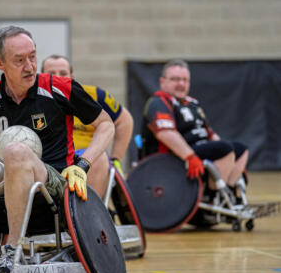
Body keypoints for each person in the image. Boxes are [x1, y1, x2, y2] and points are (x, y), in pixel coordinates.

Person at [0, 26, 114, 273]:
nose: (30, 66)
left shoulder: (60, 88)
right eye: (19, 60)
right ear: (0, 63)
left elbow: (106, 124)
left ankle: (10, 252)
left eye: (33, 56)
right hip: (5, 187)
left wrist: (83, 165)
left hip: (55, 186)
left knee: (15, 151)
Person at [141, 59, 248, 193]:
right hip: (174, 157)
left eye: (185, 80)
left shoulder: (193, 104)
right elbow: (165, 133)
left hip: (200, 149)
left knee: (241, 149)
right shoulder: (158, 102)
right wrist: (190, 156)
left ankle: (231, 194)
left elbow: (210, 134)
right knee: (224, 149)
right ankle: (213, 196)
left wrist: (233, 159)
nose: (181, 84)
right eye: (175, 79)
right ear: (162, 82)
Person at [41, 55, 133, 198]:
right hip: (49, 159)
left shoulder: (94, 94)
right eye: (51, 73)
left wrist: (116, 158)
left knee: (100, 157)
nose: (58, 77)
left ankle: (88, 215)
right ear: (41, 76)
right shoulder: (33, 98)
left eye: (63, 73)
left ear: (72, 76)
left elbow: (124, 120)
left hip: (87, 159)